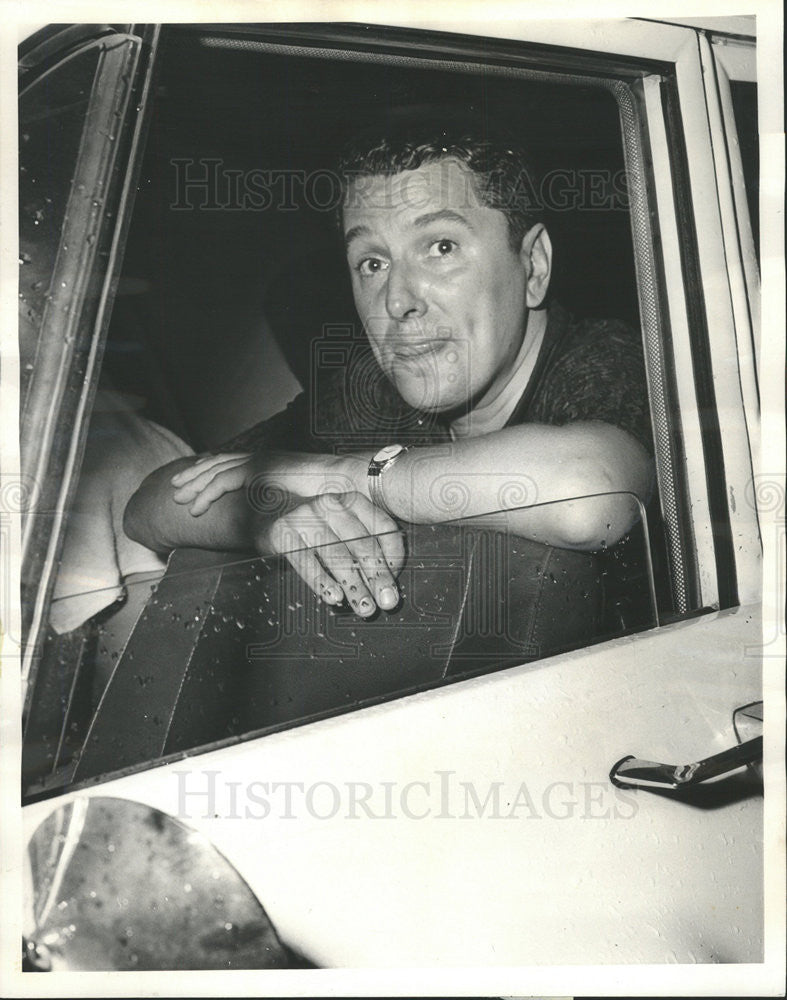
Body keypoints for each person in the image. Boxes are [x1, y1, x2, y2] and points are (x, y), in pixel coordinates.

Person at [124, 115, 654, 621]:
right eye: (372, 264)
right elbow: (151, 505)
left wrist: (337, 474)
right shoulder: (372, 390)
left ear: (533, 265)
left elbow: (589, 497)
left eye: (441, 248)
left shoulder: (611, 359)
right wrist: (270, 515)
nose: (398, 301)